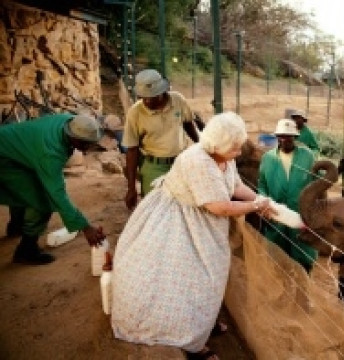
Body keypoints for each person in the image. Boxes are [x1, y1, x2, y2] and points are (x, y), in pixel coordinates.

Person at [111, 112, 273, 360]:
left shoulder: (222, 156)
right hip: (178, 224)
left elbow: (236, 186)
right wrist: (256, 207)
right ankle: (188, 341)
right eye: (235, 148)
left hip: (202, 225)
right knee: (186, 279)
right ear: (217, 144)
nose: (239, 153)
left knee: (207, 278)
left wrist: (261, 199)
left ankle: (200, 328)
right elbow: (220, 207)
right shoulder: (197, 161)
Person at [0, 113, 106, 265]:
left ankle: (16, 226)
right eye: (85, 144)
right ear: (74, 137)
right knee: (42, 199)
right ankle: (26, 250)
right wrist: (85, 226)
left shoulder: (70, 121)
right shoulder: (50, 152)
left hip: (13, 149)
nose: (87, 149)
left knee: (24, 189)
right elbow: (56, 193)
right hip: (5, 160)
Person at [122, 68, 200, 210]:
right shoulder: (135, 113)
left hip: (180, 163)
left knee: (183, 206)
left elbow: (189, 124)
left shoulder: (178, 100)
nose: (147, 101)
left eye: (152, 97)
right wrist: (131, 188)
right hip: (154, 166)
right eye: (143, 97)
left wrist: (202, 145)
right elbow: (132, 150)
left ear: (163, 92)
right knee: (155, 208)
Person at [258, 119, 317, 273]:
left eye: (289, 136)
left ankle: (302, 290)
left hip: (301, 215)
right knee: (276, 259)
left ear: (295, 137)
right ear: (277, 137)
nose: (284, 139)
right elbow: (262, 185)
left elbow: (317, 183)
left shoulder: (307, 156)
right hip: (276, 214)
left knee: (303, 259)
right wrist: (265, 203)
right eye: (281, 136)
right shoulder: (268, 158)